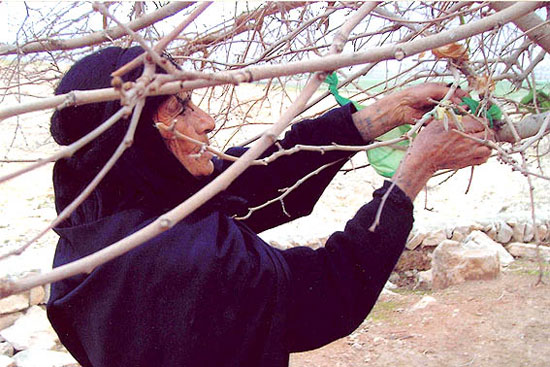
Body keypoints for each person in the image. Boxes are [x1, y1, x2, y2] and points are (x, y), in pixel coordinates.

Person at [47, 46, 492, 367]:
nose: (206, 121)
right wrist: (414, 171)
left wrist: (376, 117)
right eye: (179, 109)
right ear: (136, 139)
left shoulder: (102, 214)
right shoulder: (181, 264)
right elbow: (329, 292)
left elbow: (244, 178)